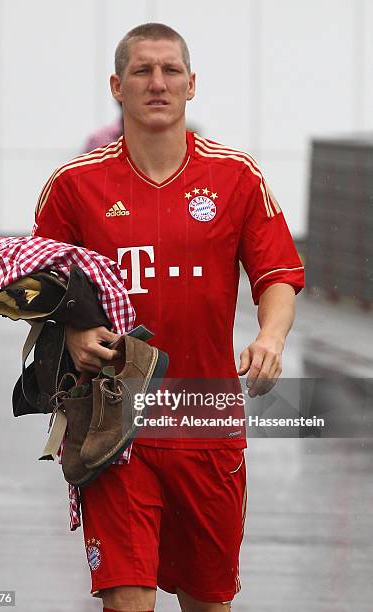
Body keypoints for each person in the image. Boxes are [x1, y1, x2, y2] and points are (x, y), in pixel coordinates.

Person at [33, 23, 304, 612]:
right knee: (127, 599)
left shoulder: (236, 177)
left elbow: (277, 274)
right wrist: (73, 331)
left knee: (207, 601)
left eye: (170, 71)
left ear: (191, 84)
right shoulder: (74, 185)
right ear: (117, 85)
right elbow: (40, 288)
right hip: (114, 421)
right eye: (142, 71)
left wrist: (271, 336)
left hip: (206, 423)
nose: (157, 83)